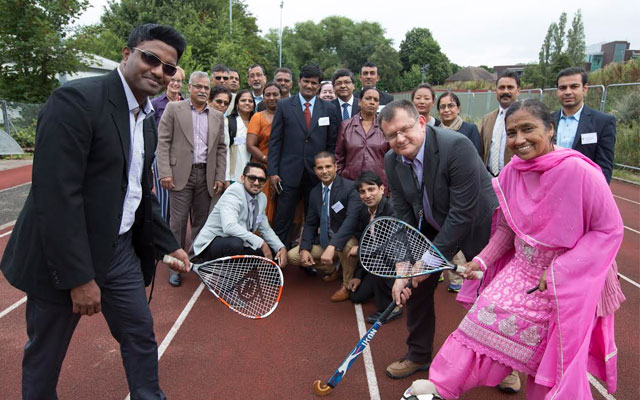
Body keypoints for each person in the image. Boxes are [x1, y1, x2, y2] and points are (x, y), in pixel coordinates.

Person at [0, 24, 190, 399]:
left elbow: (137, 192)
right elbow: (56, 196)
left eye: (168, 68)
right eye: (150, 58)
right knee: (45, 355)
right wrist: (78, 277)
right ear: (127, 54)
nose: (158, 71)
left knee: (139, 334)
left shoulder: (146, 120)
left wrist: (168, 243)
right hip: (63, 254)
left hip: (118, 252)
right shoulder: (76, 101)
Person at [404, 99, 624, 400]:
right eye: (511, 132)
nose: (519, 139)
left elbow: (609, 229)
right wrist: (482, 261)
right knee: (479, 320)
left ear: (550, 129)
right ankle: (441, 386)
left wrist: (562, 270)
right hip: (522, 269)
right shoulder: (512, 171)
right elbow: (509, 229)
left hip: (568, 279)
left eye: (527, 129)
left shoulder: (581, 171)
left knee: (551, 357)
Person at [381, 100, 497, 379]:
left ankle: (501, 364)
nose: (400, 139)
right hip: (432, 222)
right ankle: (418, 355)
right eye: (391, 135)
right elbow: (402, 215)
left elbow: (462, 214)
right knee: (416, 284)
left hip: (478, 223)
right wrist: (404, 265)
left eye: (405, 129)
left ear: (421, 122)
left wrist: (428, 262)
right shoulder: (391, 160)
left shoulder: (456, 146)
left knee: (491, 295)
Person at [157, 71, 227, 287]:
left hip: (206, 175)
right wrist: (164, 171)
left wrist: (220, 175)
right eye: (199, 87)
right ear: (189, 87)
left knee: (202, 222)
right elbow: (163, 142)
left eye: (206, 88)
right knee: (177, 223)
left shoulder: (217, 116)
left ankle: (196, 260)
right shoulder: (174, 109)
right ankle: (175, 265)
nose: (203, 91)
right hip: (179, 175)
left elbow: (221, 148)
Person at [267, 63, 340, 245]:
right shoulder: (284, 106)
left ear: (319, 85)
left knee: (313, 218)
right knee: (283, 218)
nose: (309, 86)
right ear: (299, 81)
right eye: (306, 81)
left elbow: (332, 143)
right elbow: (275, 141)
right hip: (288, 173)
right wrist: (273, 172)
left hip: (316, 175)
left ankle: (308, 255)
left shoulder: (329, 109)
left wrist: (327, 171)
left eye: (314, 83)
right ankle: (278, 254)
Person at [287, 152, 363, 301]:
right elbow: (310, 223)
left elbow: (351, 220)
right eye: (320, 168)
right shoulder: (315, 192)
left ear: (336, 167)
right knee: (293, 256)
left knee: (348, 245)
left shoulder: (350, 188)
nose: (324, 171)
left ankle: (346, 285)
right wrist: (304, 248)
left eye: (328, 166)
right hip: (325, 241)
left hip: (346, 240)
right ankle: (335, 268)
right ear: (315, 170)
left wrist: (333, 246)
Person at [192, 162, 288, 264]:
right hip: (211, 245)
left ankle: (234, 272)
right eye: (252, 178)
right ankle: (214, 270)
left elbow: (265, 229)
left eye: (261, 180)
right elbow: (229, 226)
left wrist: (280, 247)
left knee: (272, 251)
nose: (256, 183)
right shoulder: (234, 192)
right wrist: (261, 243)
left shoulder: (262, 198)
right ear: (242, 178)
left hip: (238, 242)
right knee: (236, 244)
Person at [346, 171, 401, 324]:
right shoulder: (365, 212)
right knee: (356, 296)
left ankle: (393, 308)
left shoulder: (392, 209)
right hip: (379, 260)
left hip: (398, 261)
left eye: (371, 189)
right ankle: (381, 288)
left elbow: (391, 247)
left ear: (382, 189)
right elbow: (366, 242)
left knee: (379, 264)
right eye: (362, 192)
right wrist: (358, 275)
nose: (367, 195)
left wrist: (360, 250)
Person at [552, 66, 616, 183]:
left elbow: (604, 165)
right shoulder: (547, 120)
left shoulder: (603, 122)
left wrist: (598, 190)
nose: (568, 92)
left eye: (574, 86)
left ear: (585, 89)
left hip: (583, 186)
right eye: (563, 88)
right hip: (551, 184)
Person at [335, 87, 390, 193]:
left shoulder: (385, 126)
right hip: (350, 184)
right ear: (359, 102)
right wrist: (341, 181)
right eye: (368, 98)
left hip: (378, 185)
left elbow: (391, 158)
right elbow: (339, 158)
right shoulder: (346, 125)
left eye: (375, 100)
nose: (372, 102)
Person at [151, 65, 185, 224]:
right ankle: (161, 231)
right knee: (163, 199)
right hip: (162, 157)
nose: (175, 84)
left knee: (180, 201)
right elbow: (150, 132)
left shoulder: (187, 104)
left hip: (182, 159)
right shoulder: (155, 104)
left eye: (179, 81)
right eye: (172, 80)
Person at [247, 82, 281, 223]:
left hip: (283, 167)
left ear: (281, 96)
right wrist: (268, 160)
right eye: (268, 95)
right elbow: (250, 145)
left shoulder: (288, 115)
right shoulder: (258, 117)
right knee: (263, 205)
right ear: (263, 97)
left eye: (275, 94)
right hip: (262, 167)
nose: (271, 98)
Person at [481, 70, 521, 176]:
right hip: (490, 178)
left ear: (518, 91)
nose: (505, 91)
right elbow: (482, 151)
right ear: (496, 91)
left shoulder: (527, 117)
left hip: (515, 178)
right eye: (501, 87)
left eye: (510, 87)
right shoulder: (487, 119)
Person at [436, 91, 482, 156]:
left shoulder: (470, 129)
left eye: (450, 106)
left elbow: (476, 156)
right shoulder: (436, 131)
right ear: (438, 111)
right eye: (442, 107)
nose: (446, 110)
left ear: (458, 109)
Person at [225, 89, 255, 185]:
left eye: (250, 101)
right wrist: (226, 179)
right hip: (234, 176)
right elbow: (225, 151)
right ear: (237, 104)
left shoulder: (256, 122)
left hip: (254, 177)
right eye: (243, 100)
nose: (247, 103)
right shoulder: (229, 122)